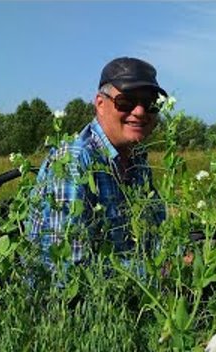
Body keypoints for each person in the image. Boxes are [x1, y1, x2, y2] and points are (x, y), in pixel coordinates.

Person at [26, 56, 167, 279]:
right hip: (71, 307)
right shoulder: (75, 160)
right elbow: (67, 270)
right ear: (100, 104)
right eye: (126, 101)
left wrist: (181, 256)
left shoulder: (137, 157)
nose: (140, 112)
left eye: (149, 104)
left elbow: (157, 230)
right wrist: (157, 271)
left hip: (129, 293)